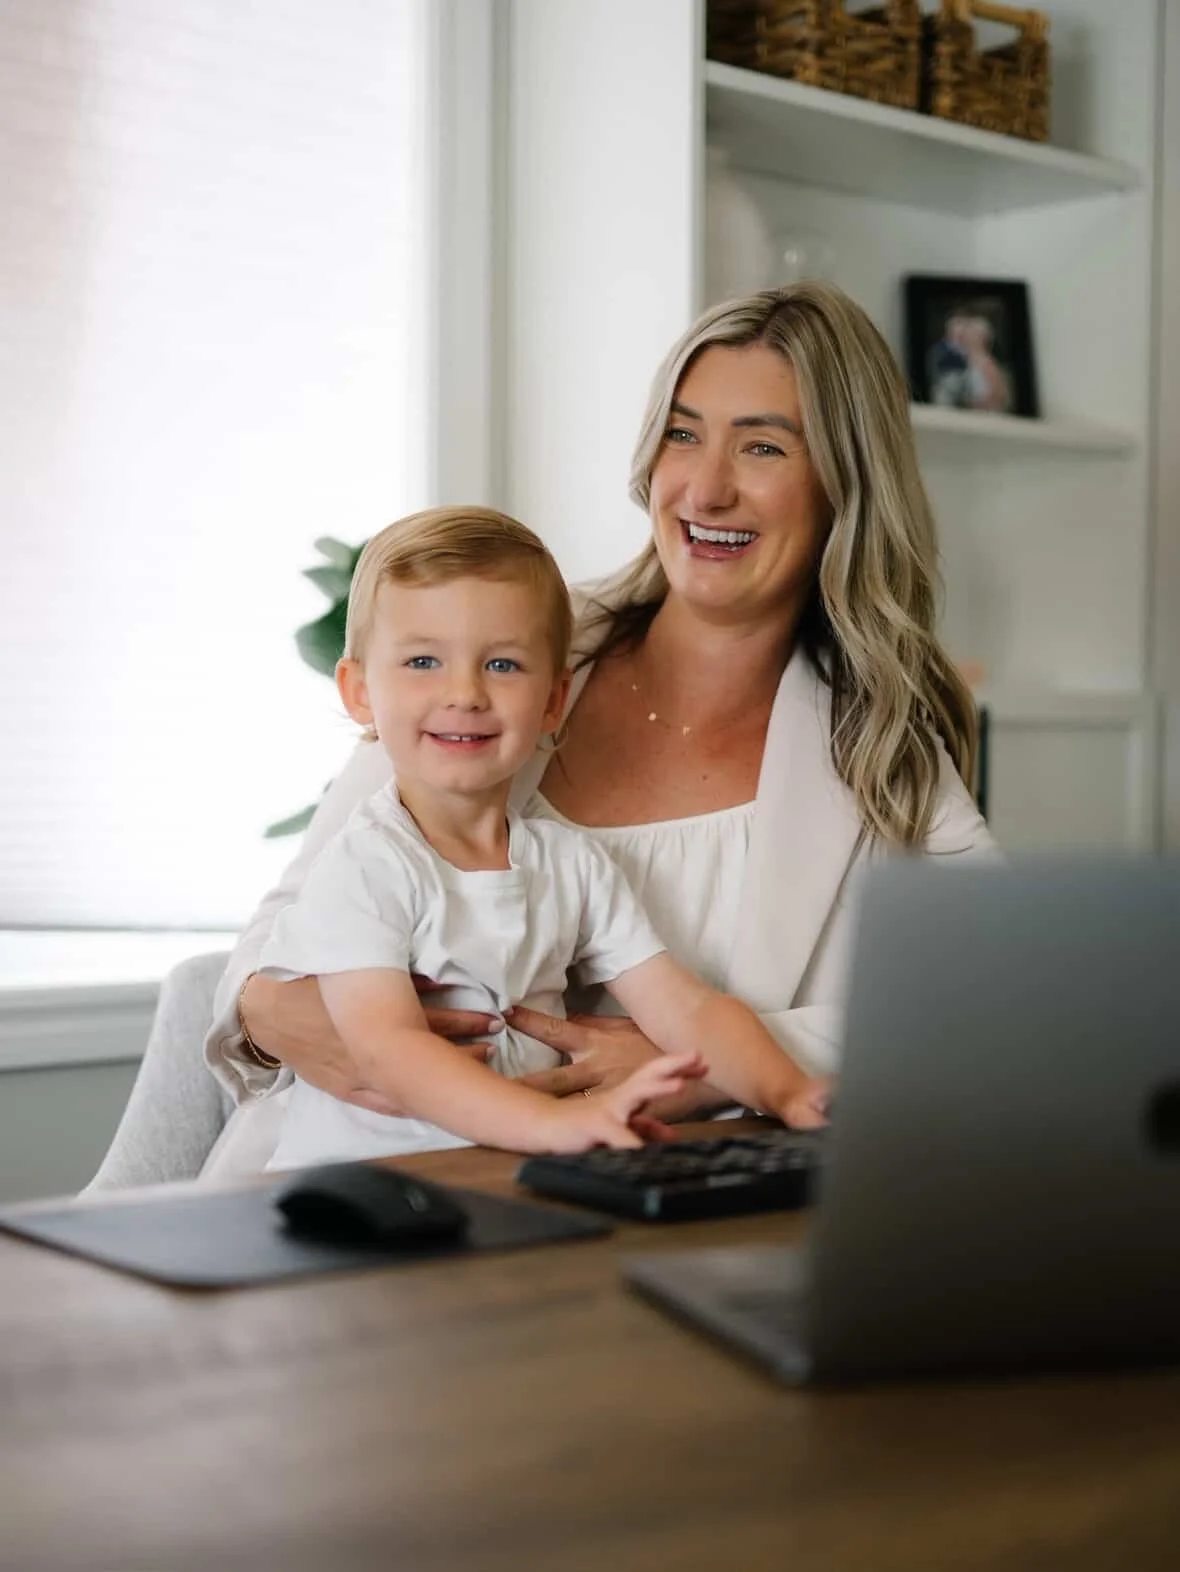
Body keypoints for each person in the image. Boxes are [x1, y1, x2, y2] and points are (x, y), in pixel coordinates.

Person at [202, 280, 997, 1181]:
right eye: (682, 434)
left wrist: (692, 1075)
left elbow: (1002, 992)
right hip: (349, 1181)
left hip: (626, 1188)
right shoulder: (499, 657)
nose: (705, 487)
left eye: (764, 446)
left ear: (844, 486)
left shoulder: (879, 740)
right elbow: (279, 942)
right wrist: (284, 1016)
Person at [236, 507, 828, 1172]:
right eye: (424, 660)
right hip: (357, 1200)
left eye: (504, 665)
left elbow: (686, 1008)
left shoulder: (572, 865)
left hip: (504, 1185)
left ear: (553, 699)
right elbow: (388, 1048)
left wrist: (789, 1090)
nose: (465, 693)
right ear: (361, 692)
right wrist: (557, 1123)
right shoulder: (367, 863)